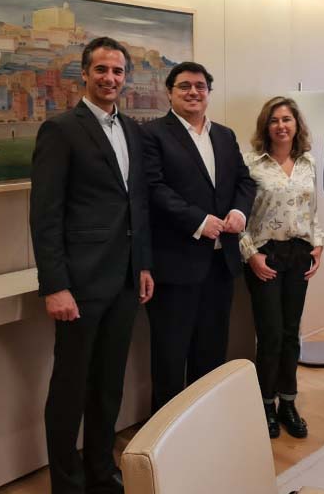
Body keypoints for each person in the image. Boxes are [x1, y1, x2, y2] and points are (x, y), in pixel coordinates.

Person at [29, 36, 154, 494]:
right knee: (70, 388)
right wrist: (55, 285)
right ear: (84, 73)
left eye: (118, 71)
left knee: (108, 385)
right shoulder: (61, 130)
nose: (110, 78)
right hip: (80, 284)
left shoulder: (133, 131)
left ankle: (102, 469)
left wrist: (143, 265)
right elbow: (45, 215)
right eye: (101, 69)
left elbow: (136, 204)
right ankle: (67, 483)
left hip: (124, 280)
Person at [141, 61, 256, 411]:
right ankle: (165, 435)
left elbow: (244, 181)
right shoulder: (152, 134)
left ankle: (203, 425)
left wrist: (239, 213)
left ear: (208, 92)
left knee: (211, 353)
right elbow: (153, 188)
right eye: (184, 86)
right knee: (170, 356)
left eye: (200, 86)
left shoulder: (224, 135)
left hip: (221, 264)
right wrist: (198, 220)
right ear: (169, 92)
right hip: (176, 266)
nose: (193, 92)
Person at [240, 96, 324, 439]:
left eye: (287, 119)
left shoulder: (308, 162)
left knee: (291, 333)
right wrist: (251, 254)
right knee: (270, 334)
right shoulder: (251, 164)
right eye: (274, 120)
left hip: (299, 254)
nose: (281, 125)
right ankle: (265, 405)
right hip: (266, 256)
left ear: (296, 124)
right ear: (266, 125)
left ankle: (288, 402)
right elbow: (239, 215)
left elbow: (312, 210)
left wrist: (318, 243)